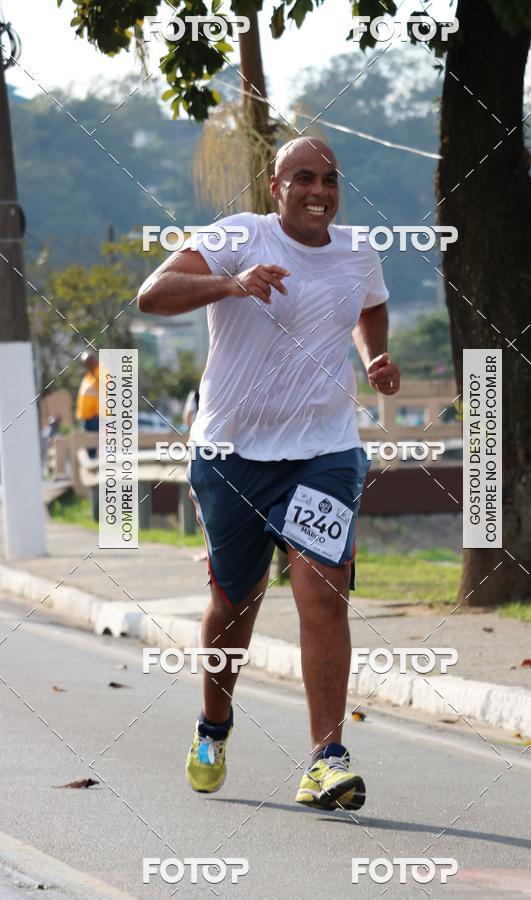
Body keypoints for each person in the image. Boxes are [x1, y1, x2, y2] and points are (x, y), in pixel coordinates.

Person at [137, 137, 400, 811]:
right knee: (235, 603)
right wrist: (232, 281)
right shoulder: (239, 235)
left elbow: (370, 305)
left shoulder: (358, 249)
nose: (319, 190)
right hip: (232, 457)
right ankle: (213, 726)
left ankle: (326, 757)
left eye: (330, 180)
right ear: (275, 186)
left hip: (326, 451)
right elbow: (152, 294)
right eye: (303, 178)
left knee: (323, 586)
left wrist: (374, 356)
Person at [75, 352, 100, 459]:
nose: (86, 364)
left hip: (96, 416)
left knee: (93, 442)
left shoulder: (99, 373)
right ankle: (92, 461)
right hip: (88, 417)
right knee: (88, 443)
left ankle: (95, 463)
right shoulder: (89, 375)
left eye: (88, 362)